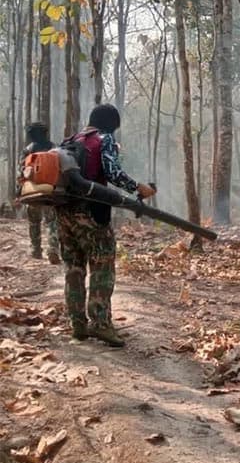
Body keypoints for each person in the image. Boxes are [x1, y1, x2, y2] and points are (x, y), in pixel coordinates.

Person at [56, 104, 156, 347]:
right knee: (102, 266)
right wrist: (138, 187)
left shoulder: (70, 141)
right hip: (92, 214)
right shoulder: (104, 139)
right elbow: (112, 173)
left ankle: (78, 325)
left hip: (64, 214)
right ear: (111, 124)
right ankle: (100, 324)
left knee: (73, 269)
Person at [20, 122, 61, 264]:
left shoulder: (28, 150)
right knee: (52, 222)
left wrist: (19, 191)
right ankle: (53, 249)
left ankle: (36, 249)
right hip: (50, 191)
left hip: (32, 191)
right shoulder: (55, 148)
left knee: (34, 222)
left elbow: (22, 171)